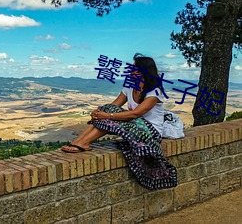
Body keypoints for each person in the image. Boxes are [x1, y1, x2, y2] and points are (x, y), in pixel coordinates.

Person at [61, 53, 177, 189]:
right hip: (134, 125)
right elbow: (115, 105)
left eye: (134, 68)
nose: (130, 70)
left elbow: (136, 113)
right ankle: (79, 141)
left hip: (150, 132)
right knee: (107, 109)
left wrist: (107, 115)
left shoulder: (154, 91)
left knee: (109, 115)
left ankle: (84, 142)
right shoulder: (129, 87)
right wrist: (99, 113)